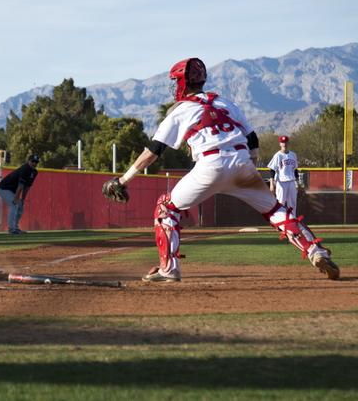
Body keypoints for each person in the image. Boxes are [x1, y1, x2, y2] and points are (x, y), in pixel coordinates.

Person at [110, 58, 339, 282]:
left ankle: (169, 268)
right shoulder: (226, 103)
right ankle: (316, 251)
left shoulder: (180, 110)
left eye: (175, 81)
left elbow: (154, 150)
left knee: (166, 208)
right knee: (276, 211)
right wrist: (249, 169)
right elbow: (252, 139)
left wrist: (123, 179)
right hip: (242, 162)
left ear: (182, 82)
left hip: (210, 164)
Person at [0, 154, 39, 234]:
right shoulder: (25, 169)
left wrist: (22, 199)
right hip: (3, 188)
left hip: (12, 190)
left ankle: (15, 227)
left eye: (36, 162)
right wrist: (16, 198)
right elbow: (20, 185)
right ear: (28, 161)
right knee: (14, 205)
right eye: (33, 161)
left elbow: (27, 187)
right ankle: (11, 229)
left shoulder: (34, 172)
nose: (34, 163)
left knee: (21, 206)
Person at [268, 136, 302, 214]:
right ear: (280, 144)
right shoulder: (278, 155)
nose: (284, 144)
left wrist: (298, 184)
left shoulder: (293, 155)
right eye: (282, 142)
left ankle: (292, 222)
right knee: (280, 204)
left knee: (293, 204)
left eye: (286, 142)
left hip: (292, 182)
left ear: (288, 143)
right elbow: (272, 170)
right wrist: (271, 184)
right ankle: (279, 223)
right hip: (281, 183)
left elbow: (295, 170)